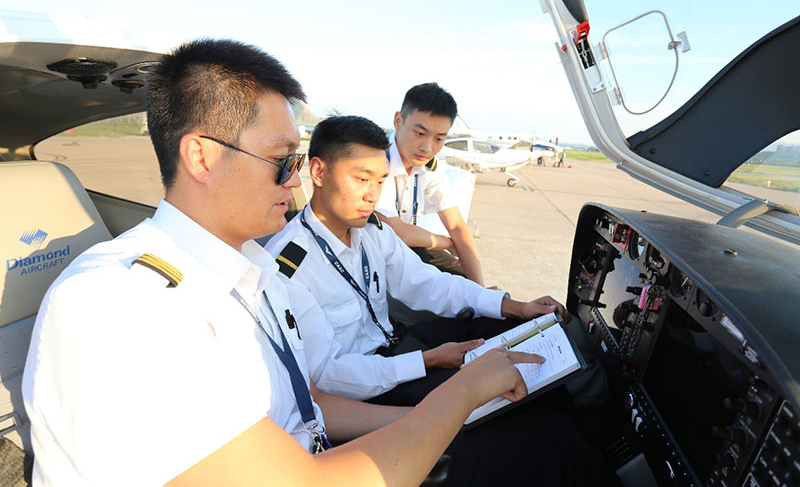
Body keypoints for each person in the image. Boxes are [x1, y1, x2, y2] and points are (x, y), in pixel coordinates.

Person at [20, 39, 547, 487]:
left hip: (317, 453)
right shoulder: (118, 303)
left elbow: (310, 405)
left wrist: (427, 419)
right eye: (281, 162)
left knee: (527, 437)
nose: (295, 182)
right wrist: (456, 395)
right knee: (542, 453)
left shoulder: (253, 270)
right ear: (202, 157)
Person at [266, 115, 568, 407]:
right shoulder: (289, 266)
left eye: (381, 181)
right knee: (497, 393)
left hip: (400, 346)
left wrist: (516, 306)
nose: (372, 195)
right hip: (369, 386)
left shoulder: (371, 231)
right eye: (361, 179)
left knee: (508, 326)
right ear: (318, 173)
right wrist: (429, 360)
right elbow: (329, 375)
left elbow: (428, 284)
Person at [375, 83, 487, 284]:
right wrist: (445, 242)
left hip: (408, 247)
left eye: (438, 139)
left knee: (466, 281)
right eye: (420, 133)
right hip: (375, 253)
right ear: (398, 121)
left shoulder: (429, 167)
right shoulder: (376, 161)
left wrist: (481, 291)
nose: (427, 148)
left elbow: (457, 225)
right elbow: (397, 231)